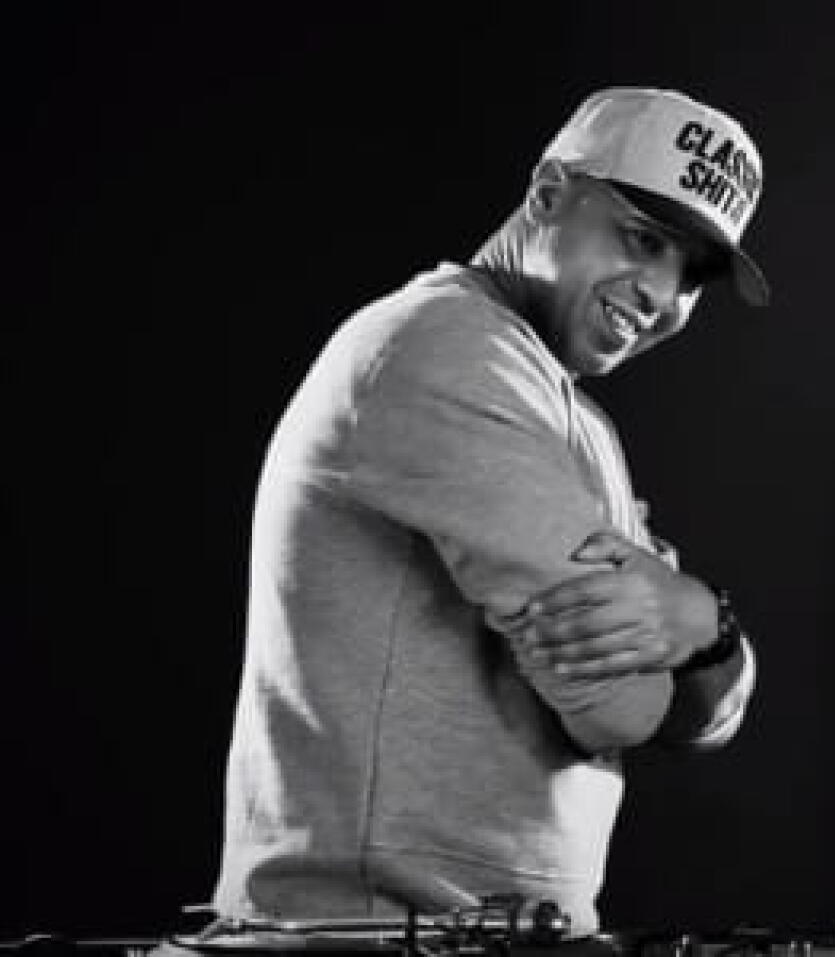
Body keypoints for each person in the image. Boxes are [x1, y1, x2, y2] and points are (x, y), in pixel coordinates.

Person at [211, 87, 767, 935]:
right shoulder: (446, 349)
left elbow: (707, 718)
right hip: (368, 927)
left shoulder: (570, 412)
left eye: (692, 274)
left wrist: (704, 621)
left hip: (496, 929)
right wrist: (682, 627)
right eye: (643, 238)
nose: (662, 292)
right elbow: (621, 707)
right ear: (548, 192)